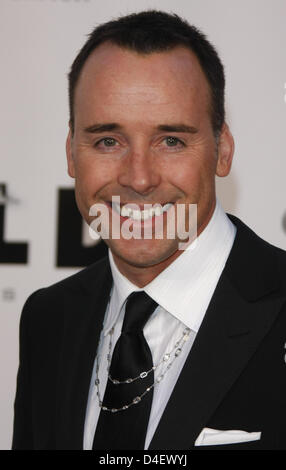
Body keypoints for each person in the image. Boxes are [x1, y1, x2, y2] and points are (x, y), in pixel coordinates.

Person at [12, 10, 286, 450]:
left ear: (223, 151)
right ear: (71, 153)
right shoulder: (49, 319)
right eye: (108, 141)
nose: (138, 179)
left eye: (171, 140)